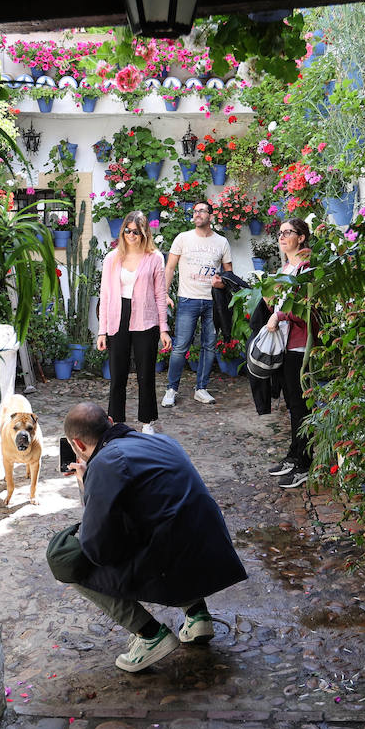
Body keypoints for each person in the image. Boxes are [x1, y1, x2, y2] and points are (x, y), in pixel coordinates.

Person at [48, 402, 248, 672]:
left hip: (171, 563)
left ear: (78, 445)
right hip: (212, 554)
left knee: (64, 558)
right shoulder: (162, 441)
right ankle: (197, 615)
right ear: (110, 421)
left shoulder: (105, 463)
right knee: (160, 522)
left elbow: (97, 548)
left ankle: (150, 635)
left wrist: (87, 484)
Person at [97, 210, 172, 431]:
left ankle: (147, 422)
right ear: (122, 232)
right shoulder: (111, 258)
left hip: (146, 319)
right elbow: (105, 295)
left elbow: (160, 294)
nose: (131, 235)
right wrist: (102, 331)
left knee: (145, 374)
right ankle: (116, 422)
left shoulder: (155, 258)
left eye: (136, 232)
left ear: (144, 233)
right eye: (127, 231)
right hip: (117, 317)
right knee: (117, 375)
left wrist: (163, 329)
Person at [263, 218, 320, 489]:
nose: (282, 236)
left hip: (299, 344)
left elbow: (306, 307)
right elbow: (278, 303)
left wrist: (279, 315)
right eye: (280, 233)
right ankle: (294, 455)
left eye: (288, 232)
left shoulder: (308, 267)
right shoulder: (286, 268)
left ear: (302, 237)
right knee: (292, 404)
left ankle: (304, 463)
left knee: (300, 405)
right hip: (284, 343)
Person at [161, 201, 233, 406]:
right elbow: (169, 268)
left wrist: (221, 283)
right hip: (187, 299)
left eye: (202, 211)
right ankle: (171, 389)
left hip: (213, 302)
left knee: (209, 346)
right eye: (195, 211)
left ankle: (201, 389)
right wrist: (164, 293)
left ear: (211, 216)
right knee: (180, 346)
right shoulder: (183, 238)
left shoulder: (222, 242)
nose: (197, 214)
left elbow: (229, 274)